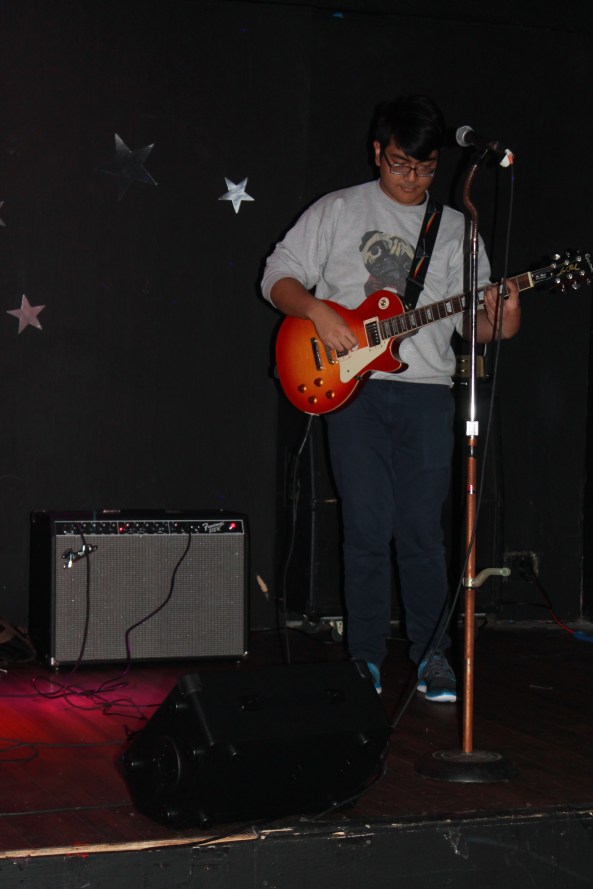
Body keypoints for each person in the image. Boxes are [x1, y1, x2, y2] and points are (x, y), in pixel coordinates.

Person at [261, 95, 520, 701]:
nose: (413, 179)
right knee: (367, 529)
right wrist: (318, 310)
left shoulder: (457, 229)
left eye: (426, 169)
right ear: (378, 151)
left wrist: (503, 319)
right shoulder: (338, 209)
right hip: (354, 394)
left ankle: (433, 657)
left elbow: (474, 326)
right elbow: (277, 276)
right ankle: (364, 660)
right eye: (401, 164)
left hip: (427, 393)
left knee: (423, 533)